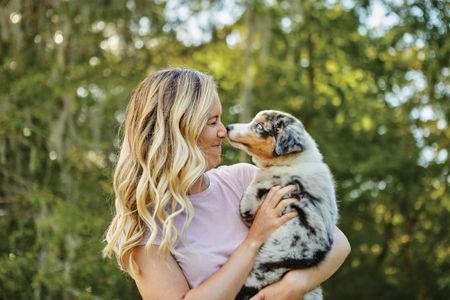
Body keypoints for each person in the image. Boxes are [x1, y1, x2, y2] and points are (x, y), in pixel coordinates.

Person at [103, 68, 350, 300]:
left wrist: (293, 285)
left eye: (220, 119)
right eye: (212, 122)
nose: (223, 131)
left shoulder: (243, 179)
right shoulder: (147, 223)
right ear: (176, 132)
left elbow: (335, 240)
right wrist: (254, 239)